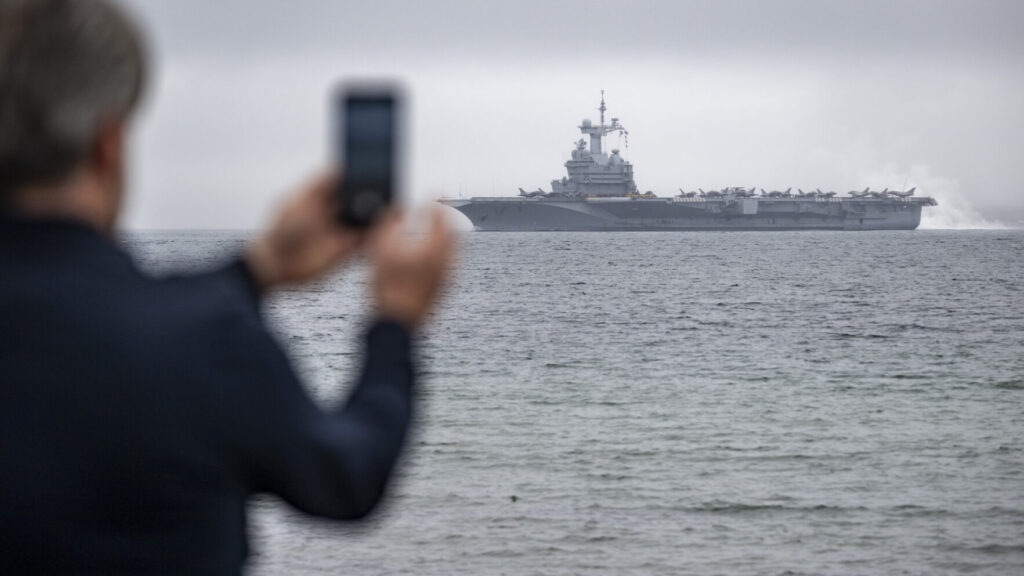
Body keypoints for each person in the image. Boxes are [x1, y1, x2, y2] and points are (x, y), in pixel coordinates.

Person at [0, 0, 455, 573]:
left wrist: (257, 267)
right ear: (107, 144)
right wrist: (396, 318)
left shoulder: (195, 333)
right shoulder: (205, 344)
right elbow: (347, 477)